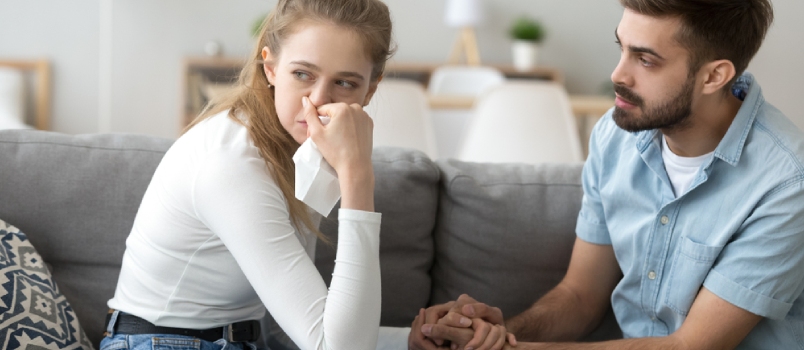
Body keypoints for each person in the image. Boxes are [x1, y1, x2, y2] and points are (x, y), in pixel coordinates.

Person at [409, 0, 804, 349]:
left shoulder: (785, 182)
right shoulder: (615, 136)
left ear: (713, 77)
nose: (618, 75)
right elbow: (580, 296)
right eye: (622, 48)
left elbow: (690, 346)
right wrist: (493, 333)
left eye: (646, 60)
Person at [100, 0, 394, 349]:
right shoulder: (232, 164)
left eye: (344, 83)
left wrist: (416, 339)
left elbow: (302, 326)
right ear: (270, 67)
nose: (317, 100)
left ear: (370, 90)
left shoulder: (305, 150)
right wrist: (357, 174)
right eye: (302, 74)